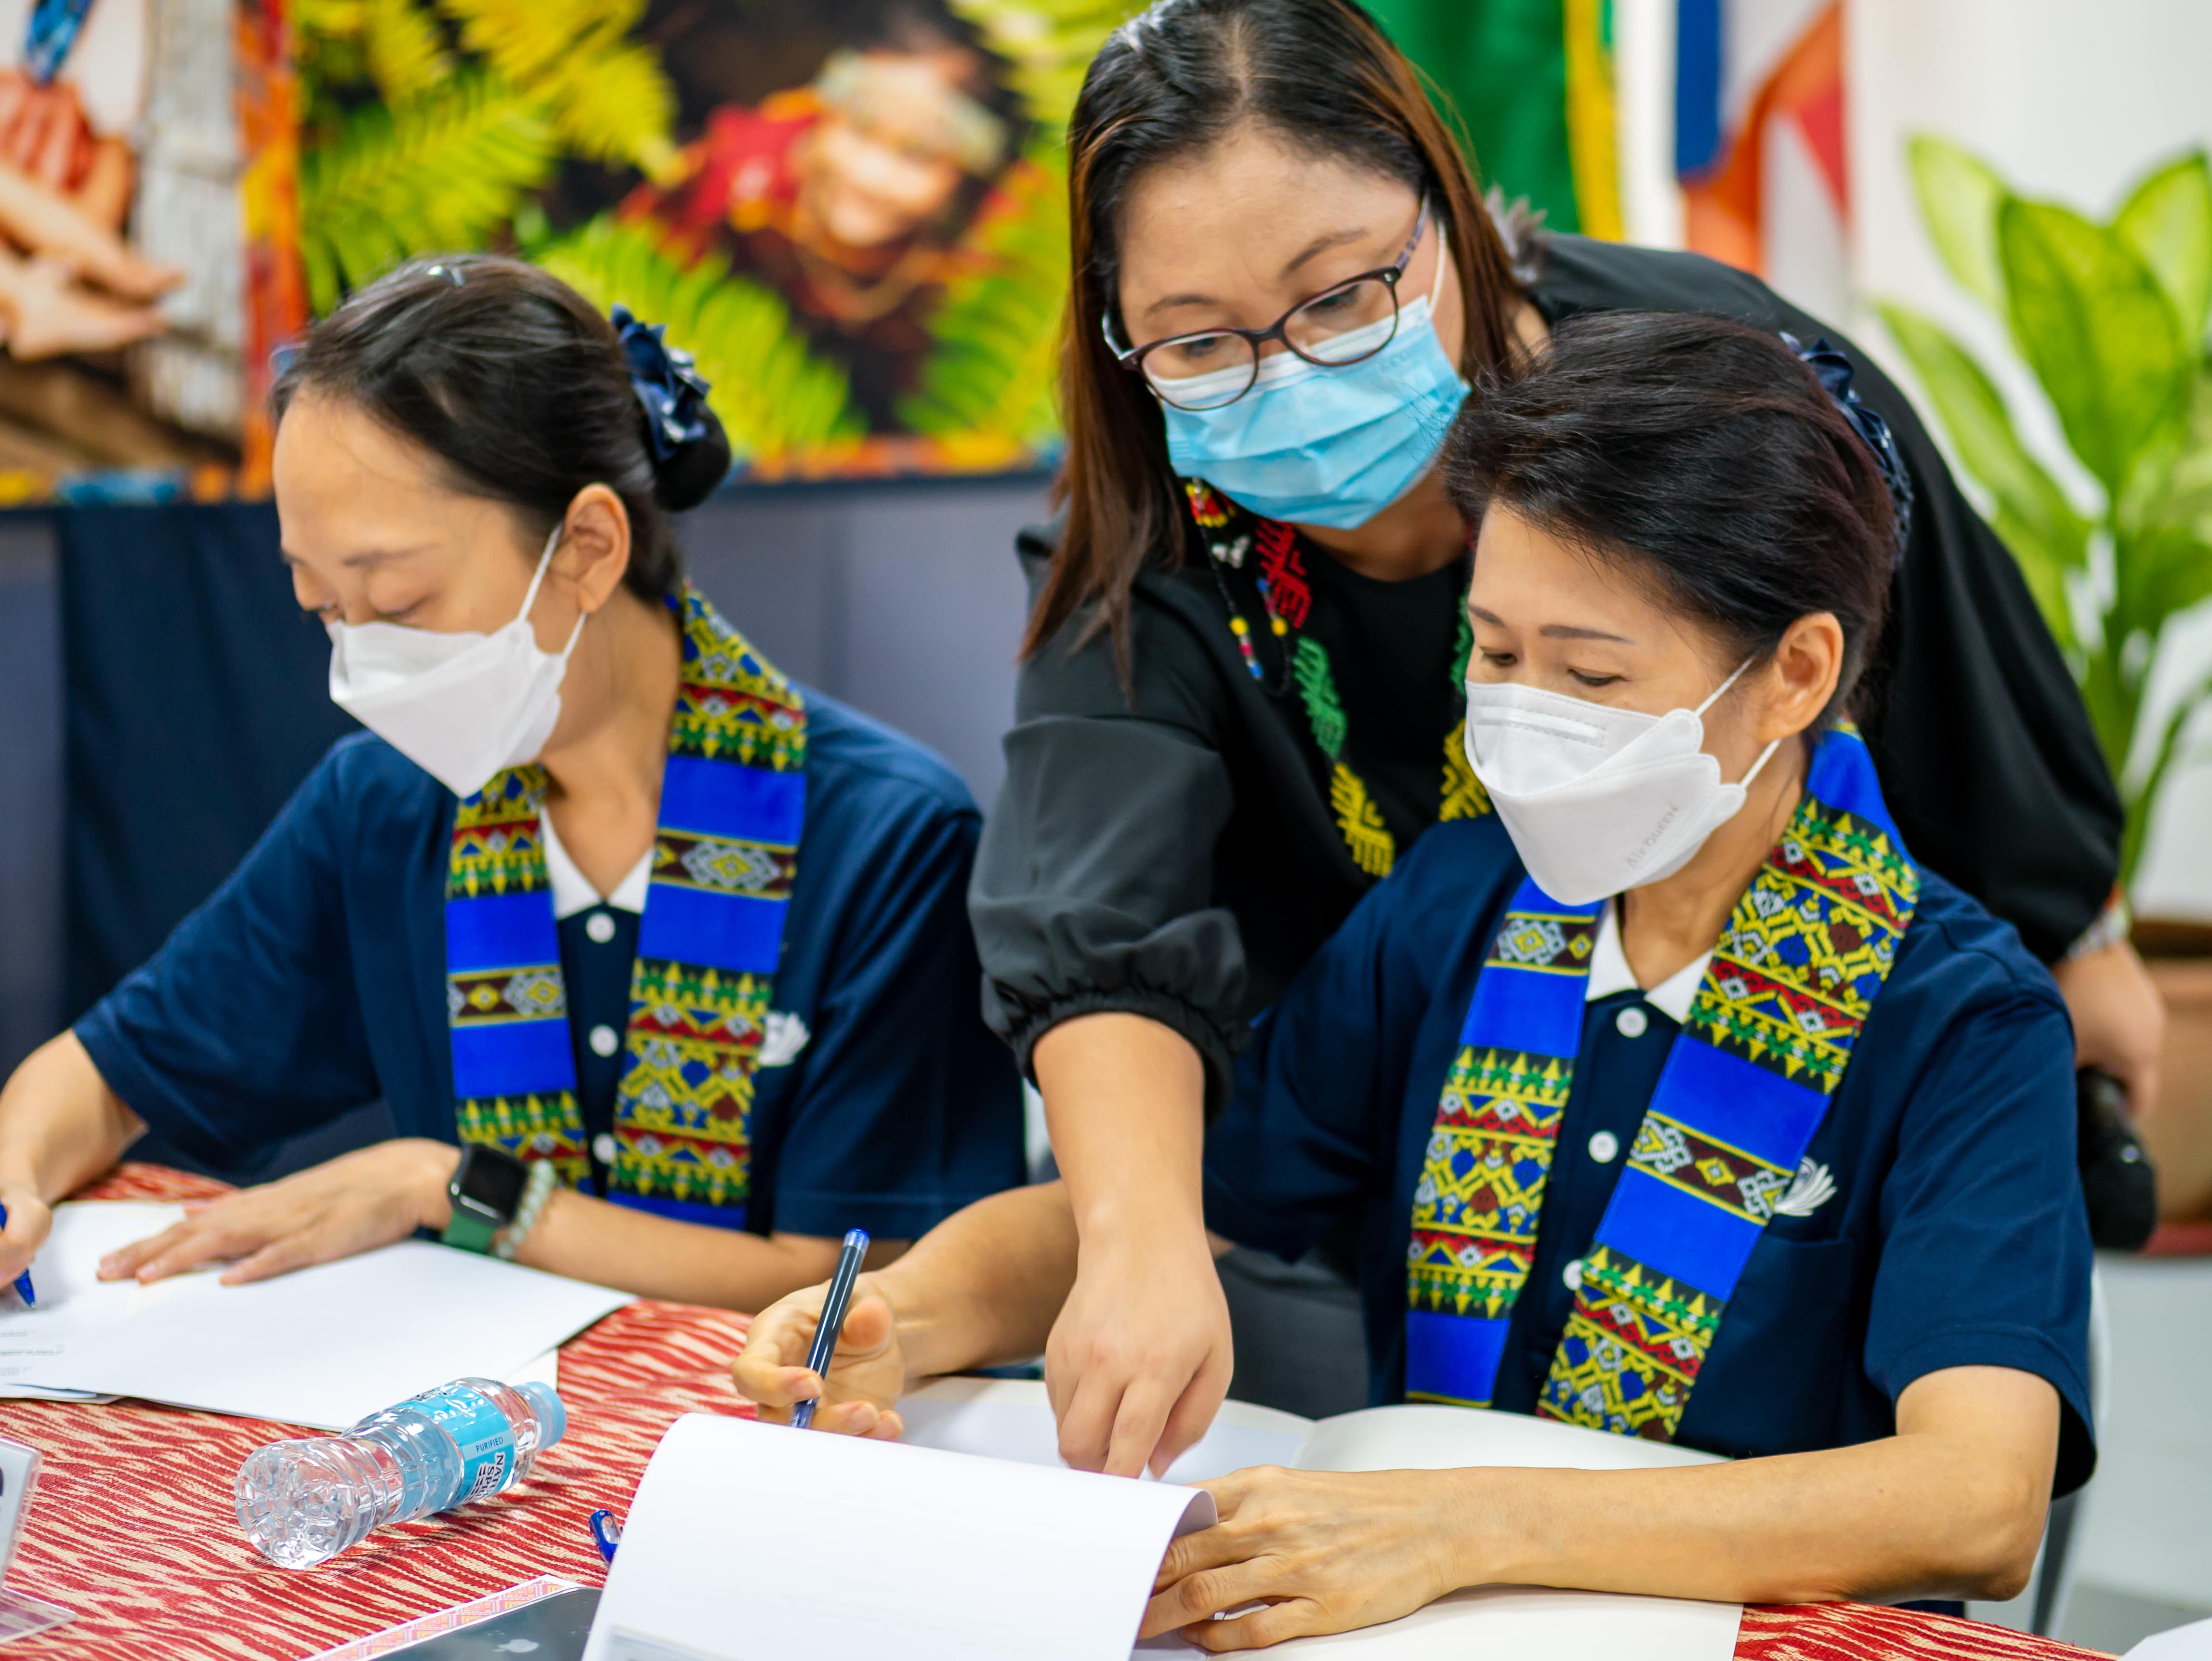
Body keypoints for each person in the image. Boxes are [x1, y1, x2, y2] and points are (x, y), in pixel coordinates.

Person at [737, 312, 2093, 1648]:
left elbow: (1976, 1499)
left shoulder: (1958, 1016)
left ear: (1796, 671)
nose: (1523, 713)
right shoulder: (1457, 905)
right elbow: (1158, 1218)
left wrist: (1460, 1527)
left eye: (1591, 670)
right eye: (1497, 655)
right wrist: (902, 1318)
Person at [970, 0, 2158, 1476]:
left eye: (1340, 298)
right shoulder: (1174, 552)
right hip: (1419, 1088)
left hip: (1777, 996)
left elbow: (1951, 661)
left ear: (1443, 210)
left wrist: (2072, 922)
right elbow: (1097, 893)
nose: (1284, 374)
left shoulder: (1710, 384)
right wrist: (1135, 1241)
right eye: (1198, 341)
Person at [0, 253, 1023, 1307]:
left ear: (588, 545)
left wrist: (452, 1187)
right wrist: (14, 1178)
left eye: (397, 601)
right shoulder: (387, 809)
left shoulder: (885, 838)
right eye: (323, 610)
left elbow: (850, 1290)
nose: (361, 665)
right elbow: (105, 1075)